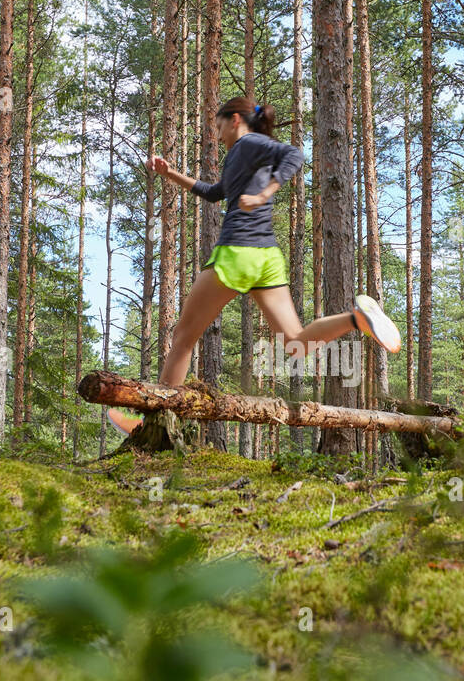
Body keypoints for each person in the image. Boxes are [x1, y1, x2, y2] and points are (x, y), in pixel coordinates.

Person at [108, 97, 401, 435]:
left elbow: (293, 154)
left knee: (183, 337)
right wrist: (169, 173)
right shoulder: (241, 157)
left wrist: (264, 196)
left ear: (235, 120)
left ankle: (151, 423)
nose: (216, 135)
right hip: (266, 258)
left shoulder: (248, 144)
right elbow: (214, 192)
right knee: (295, 342)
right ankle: (358, 318)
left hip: (237, 252)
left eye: (217, 127)